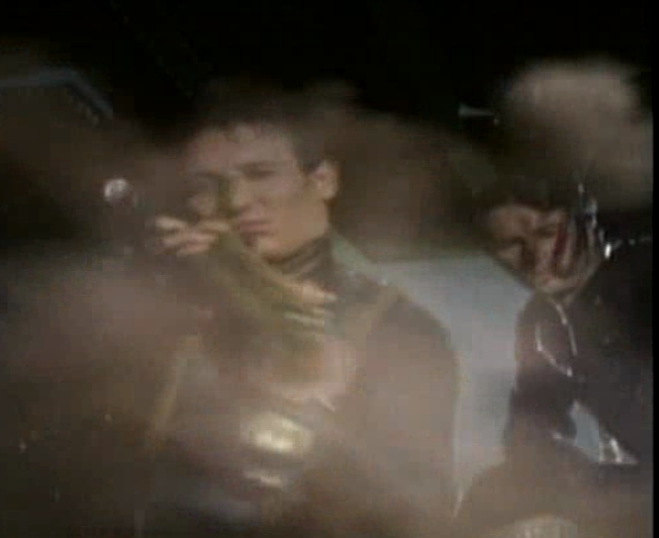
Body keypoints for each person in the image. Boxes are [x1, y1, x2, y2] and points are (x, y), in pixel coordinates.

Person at [138, 80, 461, 537]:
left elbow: (414, 515)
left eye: (261, 174)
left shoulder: (392, 327)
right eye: (208, 186)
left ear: (323, 179)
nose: (238, 201)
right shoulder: (169, 317)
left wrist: (312, 413)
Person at [455, 61, 652, 537]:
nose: (534, 255)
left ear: (583, 218)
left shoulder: (642, 273)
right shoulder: (542, 323)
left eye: (546, 230)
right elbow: (534, 419)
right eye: (510, 244)